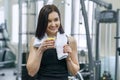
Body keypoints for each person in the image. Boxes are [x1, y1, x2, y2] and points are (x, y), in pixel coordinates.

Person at [26, 4, 80, 80]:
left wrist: (68, 58)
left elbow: (74, 72)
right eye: (49, 21)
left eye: (56, 20)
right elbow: (31, 72)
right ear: (43, 22)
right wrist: (40, 50)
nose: (53, 24)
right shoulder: (36, 41)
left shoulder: (70, 41)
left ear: (59, 20)